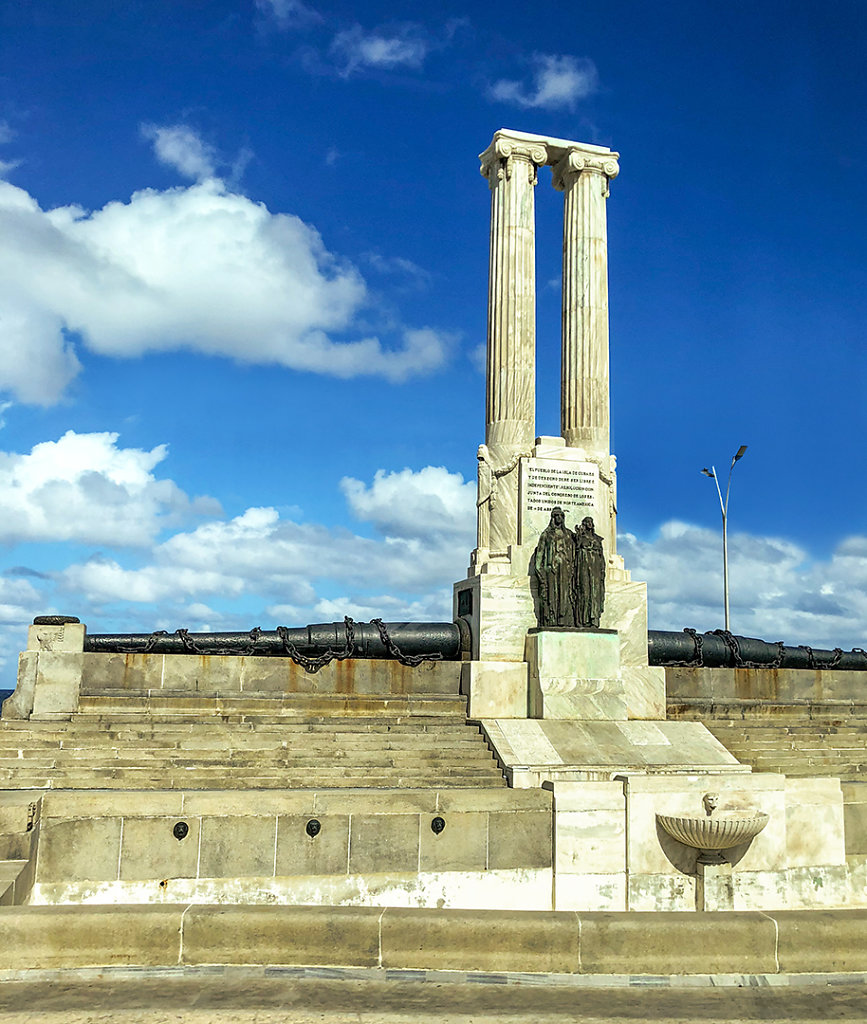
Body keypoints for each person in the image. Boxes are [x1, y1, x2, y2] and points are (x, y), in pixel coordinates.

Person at [532, 507, 575, 627]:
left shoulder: (568, 534)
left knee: (564, 593)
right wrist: (540, 572)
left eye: (561, 516)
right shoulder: (546, 534)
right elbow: (540, 554)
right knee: (551, 595)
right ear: (553, 518)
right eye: (557, 516)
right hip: (551, 569)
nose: (559, 518)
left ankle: (564, 619)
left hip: (565, 568)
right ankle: (551, 619)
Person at [574, 516, 605, 627]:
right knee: (584, 592)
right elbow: (576, 550)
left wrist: (602, 570)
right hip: (583, 567)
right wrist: (579, 536)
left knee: (595, 593)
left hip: (596, 568)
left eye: (591, 522)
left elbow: (602, 557)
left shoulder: (597, 539)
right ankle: (584, 620)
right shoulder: (580, 538)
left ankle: (594, 620)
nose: (589, 524)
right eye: (587, 522)